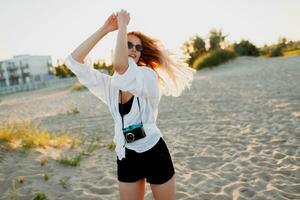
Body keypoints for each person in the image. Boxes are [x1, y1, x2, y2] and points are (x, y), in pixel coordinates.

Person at [65, 9, 195, 200]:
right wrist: (105, 29)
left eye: (138, 47)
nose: (133, 49)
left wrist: (123, 26)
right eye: (128, 44)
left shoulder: (147, 76)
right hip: (126, 154)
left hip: (154, 151)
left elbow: (121, 67)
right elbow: (73, 61)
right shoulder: (109, 86)